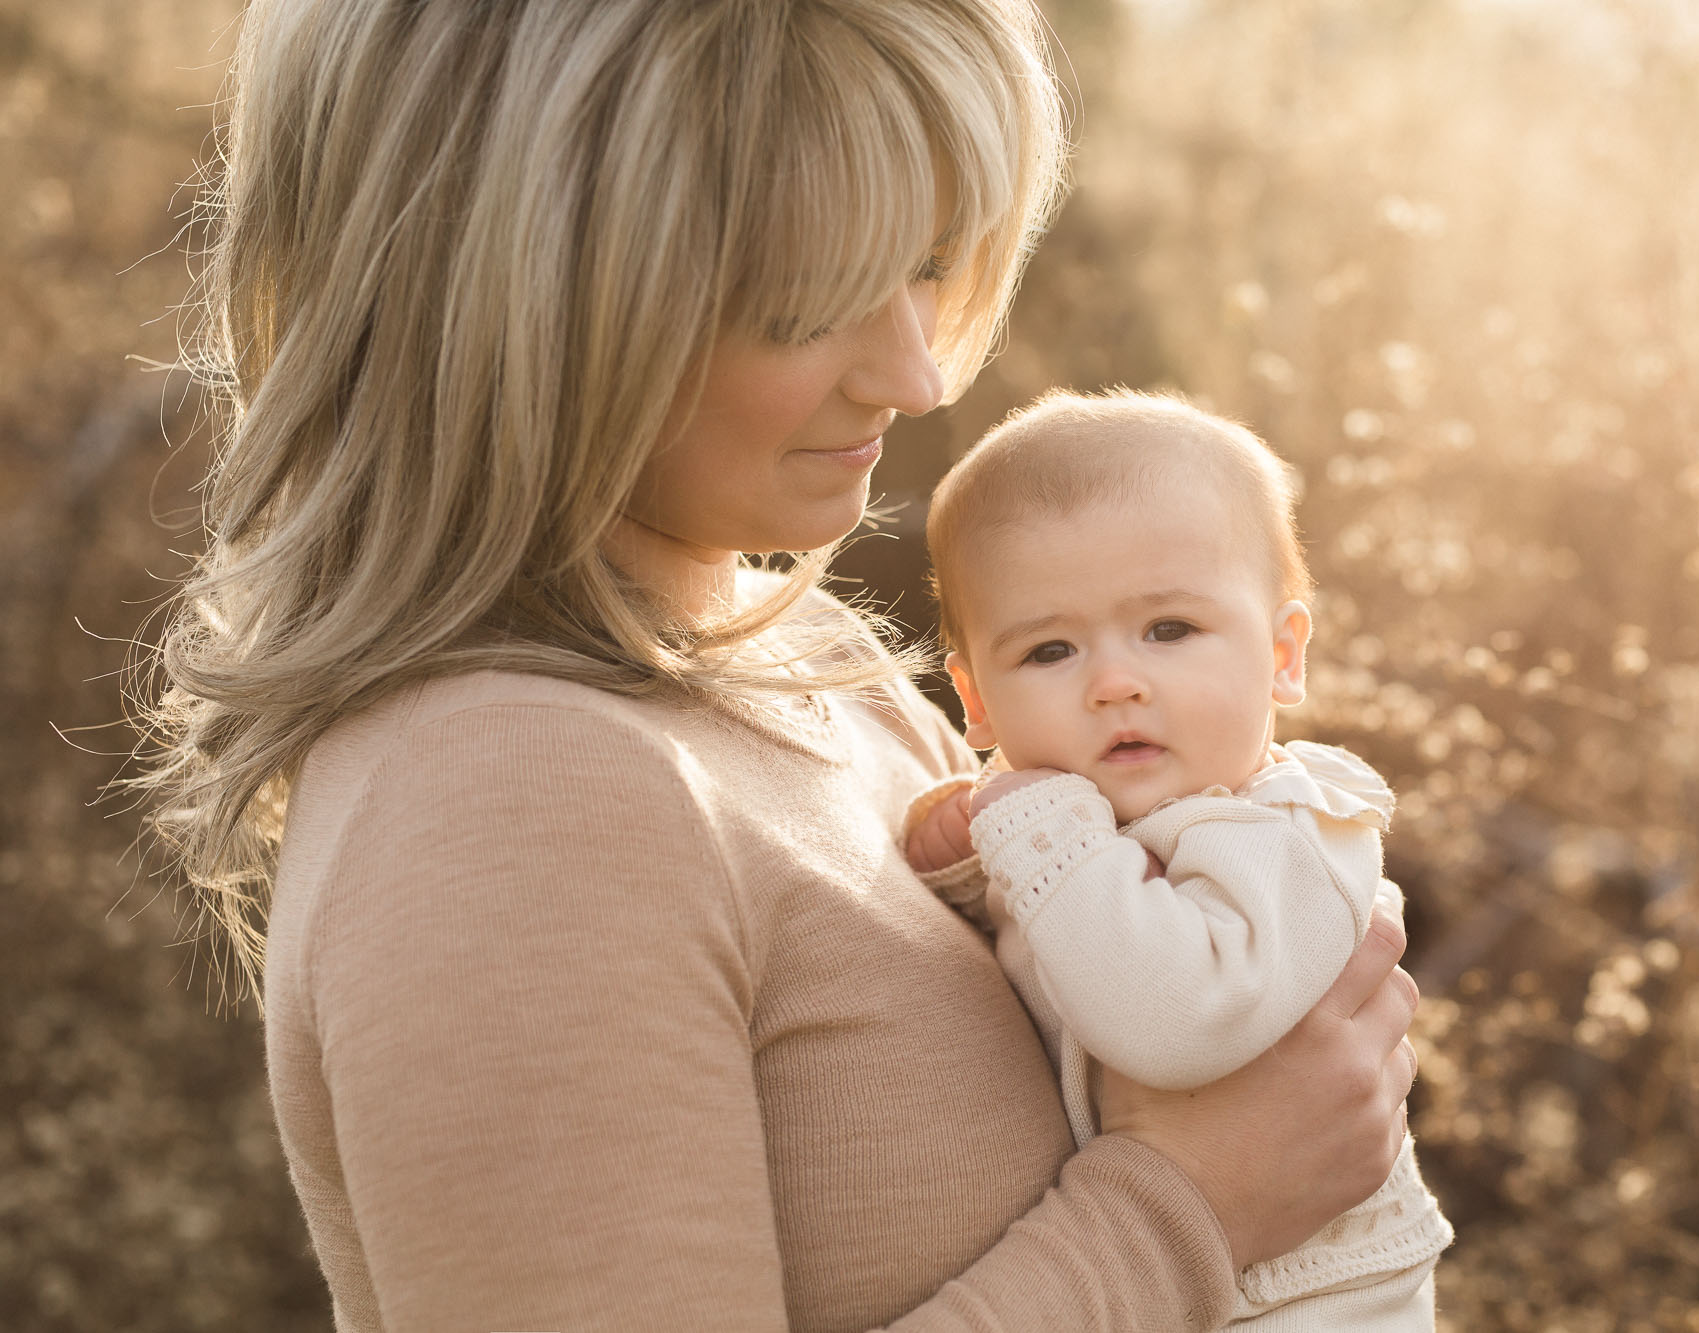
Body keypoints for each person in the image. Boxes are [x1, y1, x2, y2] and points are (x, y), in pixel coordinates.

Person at [129, 2, 1424, 1329]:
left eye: (925, 261)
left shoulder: (797, 653)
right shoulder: (505, 800)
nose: (916, 374)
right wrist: (1192, 1209)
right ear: (527, 299)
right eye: (804, 305)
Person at [904, 390, 1452, 1329]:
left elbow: (1173, 1017)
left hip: (1306, 1304)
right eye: (1049, 649)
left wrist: (1034, 831)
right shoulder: (1086, 824)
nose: (1115, 680)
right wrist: (961, 867)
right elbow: (1054, 945)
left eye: (1168, 630)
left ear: (1282, 655)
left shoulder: (1292, 834)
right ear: (976, 700)